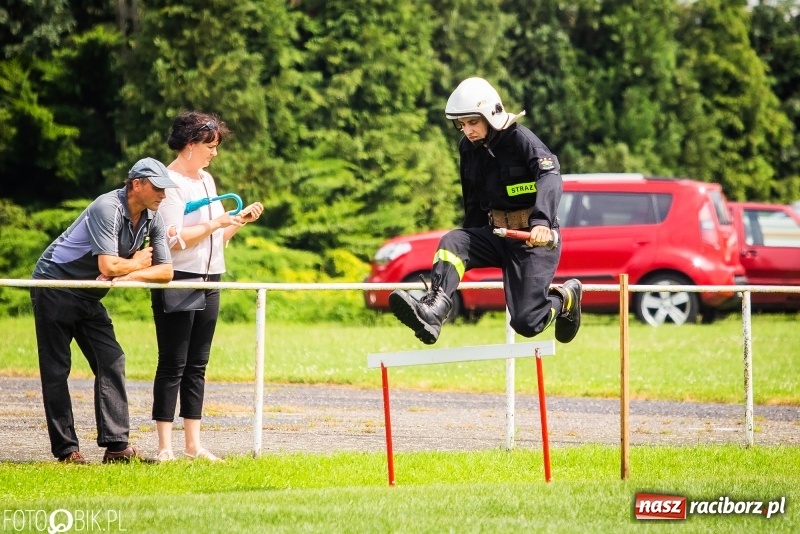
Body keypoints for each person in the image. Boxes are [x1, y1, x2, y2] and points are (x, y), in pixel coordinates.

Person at [389, 77, 582, 345]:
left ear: (491, 114)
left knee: (527, 322)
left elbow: (550, 177)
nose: (467, 131)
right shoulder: (468, 148)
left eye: (472, 122)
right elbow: (472, 197)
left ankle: (566, 298)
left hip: (532, 239)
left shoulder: (521, 140)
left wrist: (542, 222)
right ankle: (434, 310)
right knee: (454, 241)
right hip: (497, 234)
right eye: (462, 124)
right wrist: (471, 238)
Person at [31, 157, 177, 464]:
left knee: (112, 358)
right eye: (158, 187)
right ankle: (67, 451)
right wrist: (136, 263)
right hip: (54, 285)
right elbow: (106, 265)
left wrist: (128, 274)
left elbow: (165, 272)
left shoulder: (154, 216)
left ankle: (116, 446)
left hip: (90, 293)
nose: (164, 195)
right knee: (57, 369)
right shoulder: (106, 207)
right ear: (137, 184)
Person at [151, 111, 263, 462]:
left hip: (210, 279)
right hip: (179, 279)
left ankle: (193, 445)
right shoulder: (169, 183)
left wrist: (238, 222)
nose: (214, 152)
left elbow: (215, 238)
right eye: (209, 146)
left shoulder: (206, 180)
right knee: (173, 362)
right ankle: (165, 446)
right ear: (189, 145)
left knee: (198, 364)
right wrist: (215, 222)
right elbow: (173, 240)